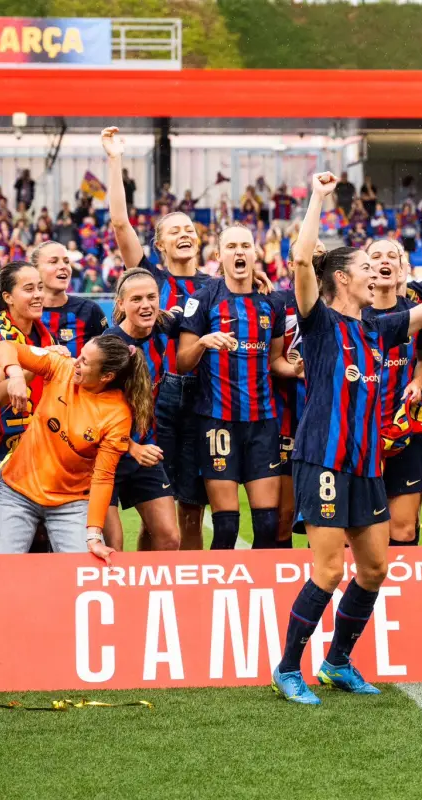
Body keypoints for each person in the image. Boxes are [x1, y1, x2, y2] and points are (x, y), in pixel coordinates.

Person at [271, 172, 422, 705]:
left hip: (367, 465)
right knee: (328, 569)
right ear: (342, 278)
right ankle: (287, 668)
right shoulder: (319, 321)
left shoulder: (378, 326)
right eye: (366, 268)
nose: (377, 274)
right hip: (322, 459)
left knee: (373, 568)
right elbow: (302, 262)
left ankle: (338, 661)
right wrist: (319, 196)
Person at [105, 126, 210, 549]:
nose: (185, 233)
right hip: (157, 400)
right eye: (174, 230)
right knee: (157, 512)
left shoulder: (214, 286)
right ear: (159, 244)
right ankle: (150, 584)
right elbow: (118, 222)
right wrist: (115, 159)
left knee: (193, 505)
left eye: (190, 228)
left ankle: (187, 584)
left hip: (205, 400)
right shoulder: (150, 277)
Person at [176, 224, 292, 550]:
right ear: (218, 255)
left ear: (256, 253)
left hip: (263, 422)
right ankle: (220, 597)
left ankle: (264, 597)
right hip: (217, 423)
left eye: (245, 246)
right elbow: (183, 361)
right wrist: (203, 342)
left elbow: (275, 362)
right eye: (231, 247)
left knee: (268, 527)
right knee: (226, 530)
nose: (239, 252)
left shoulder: (274, 302)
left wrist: (298, 368)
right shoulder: (203, 300)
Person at [0, 335, 150, 559]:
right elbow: (7, 346)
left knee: (87, 573)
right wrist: (16, 375)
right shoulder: (61, 367)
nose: (76, 362)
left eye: (85, 362)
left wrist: (93, 536)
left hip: (71, 503)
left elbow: (103, 477)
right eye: (80, 354)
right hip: (16, 492)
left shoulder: (118, 415)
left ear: (107, 376)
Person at [102, 269, 182, 551]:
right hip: (106, 456)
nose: (146, 305)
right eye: (136, 299)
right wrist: (131, 446)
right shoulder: (108, 347)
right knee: (112, 546)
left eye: (151, 297)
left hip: (145, 452)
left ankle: (148, 594)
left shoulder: (163, 326)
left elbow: (203, 307)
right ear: (121, 304)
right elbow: (94, 414)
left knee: (170, 538)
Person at [364, 238, 422, 547]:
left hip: (405, 430)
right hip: (359, 433)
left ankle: (401, 595)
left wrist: (418, 381)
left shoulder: (418, 314)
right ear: (366, 269)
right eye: (376, 256)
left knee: (403, 530)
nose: (384, 261)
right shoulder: (351, 315)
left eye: (392, 255)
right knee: (360, 530)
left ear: (402, 268)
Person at [0, 261, 54, 455]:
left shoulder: (46, 335)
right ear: (8, 297)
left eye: (40, 287)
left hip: (37, 450)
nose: (38, 294)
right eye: (29, 289)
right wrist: (38, 366)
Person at [30, 240, 107, 357]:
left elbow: (109, 358)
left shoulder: (89, 310)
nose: (63, 266)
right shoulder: (24, 312)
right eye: (53, 262)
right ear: (35, 270)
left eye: (66, 262)